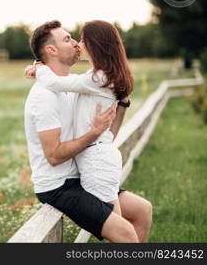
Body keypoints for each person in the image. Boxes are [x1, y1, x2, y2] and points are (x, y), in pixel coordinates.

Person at [24, 20, 152, 242]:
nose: (75, 43)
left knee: (143, 211)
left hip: (80, 173)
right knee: (125, 234)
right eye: (67, 39)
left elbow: (107, 135)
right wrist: (93, 134)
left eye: (77, 38)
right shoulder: (44, 96)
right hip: (59, 185)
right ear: (51, 50)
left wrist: (122, 104)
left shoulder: (74, 87)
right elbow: (54, 157)